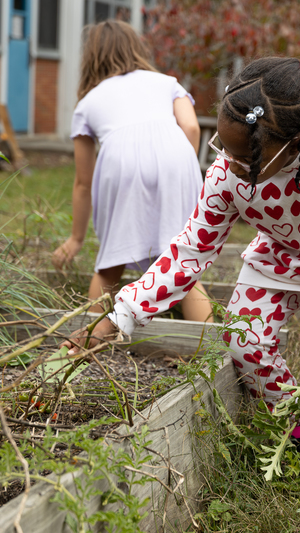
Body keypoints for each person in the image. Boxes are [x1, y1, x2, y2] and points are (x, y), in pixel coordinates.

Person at [65, 57, 300, 439]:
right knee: (244, 341)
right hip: (282, 260)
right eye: (224, 150)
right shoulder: (227, 173)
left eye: (246, 157)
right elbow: (190, 250)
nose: (231, 165)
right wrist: (121, 315)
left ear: (292, 141)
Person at [52, 20, 212, 322]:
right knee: (182, 264)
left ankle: (88, 341)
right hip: (176, 155)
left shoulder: (88, 102)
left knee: (110, 264)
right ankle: (207, 355)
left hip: (120, 163)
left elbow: (83, 182)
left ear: (92, 57)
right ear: (136, 49)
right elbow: (190, 126)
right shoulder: (166, 82)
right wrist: (176, 166)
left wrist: (76, 238)